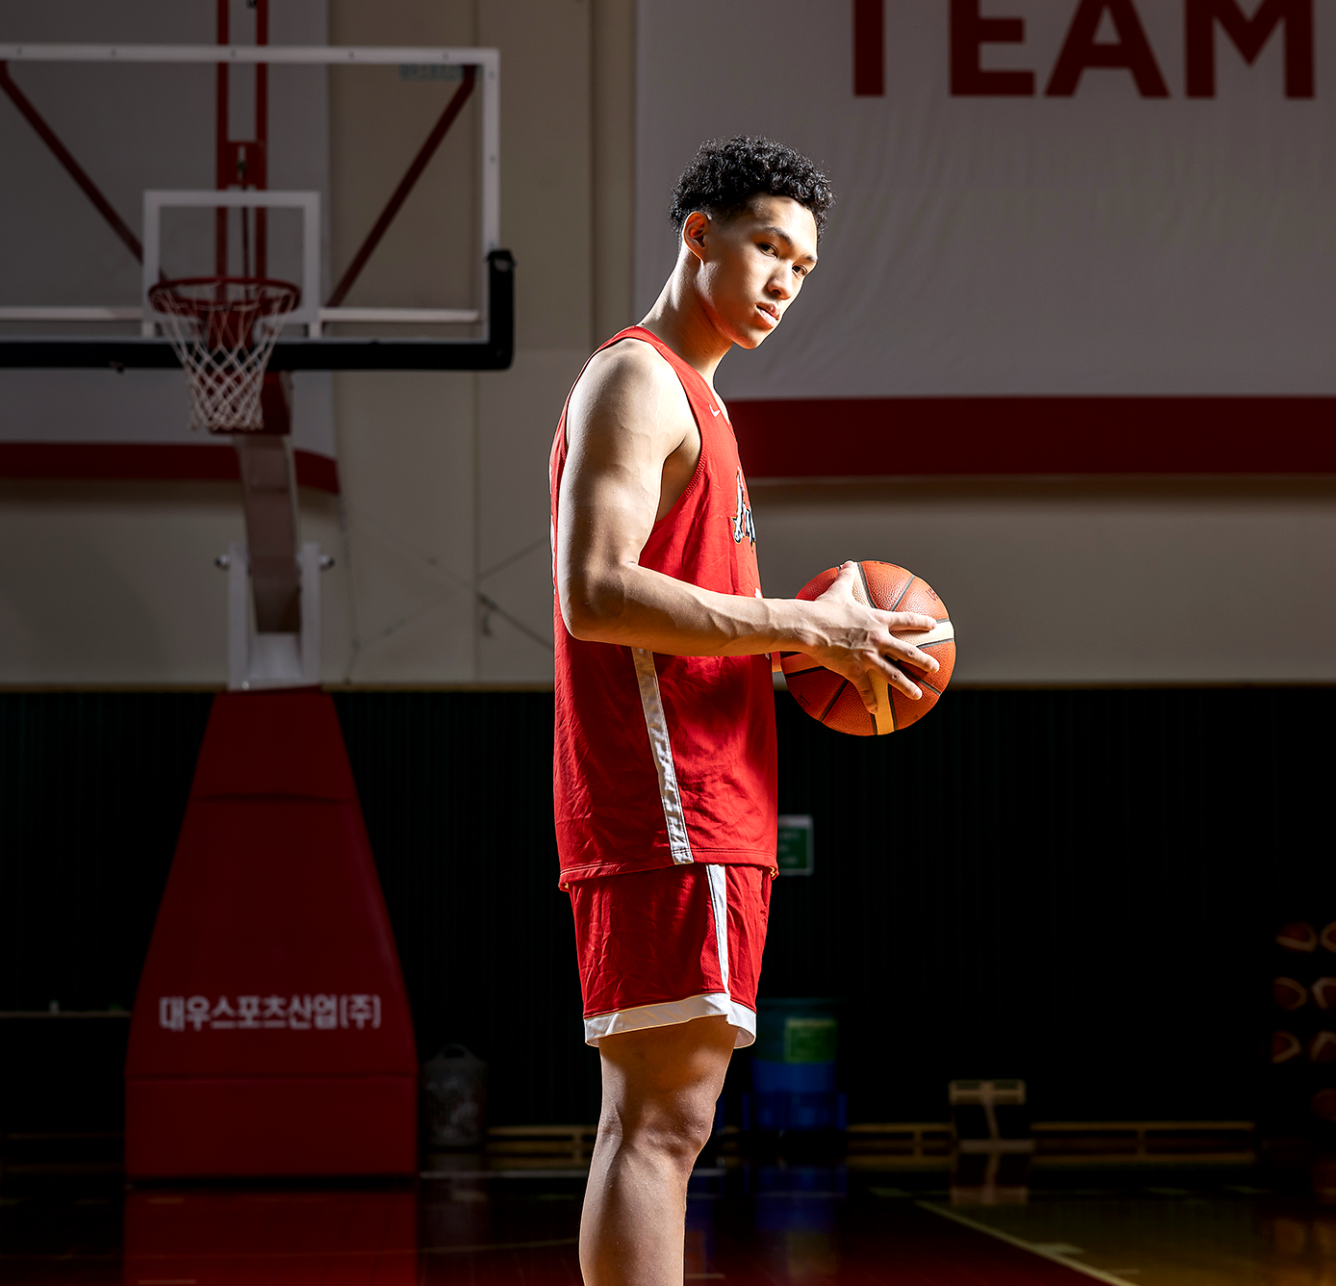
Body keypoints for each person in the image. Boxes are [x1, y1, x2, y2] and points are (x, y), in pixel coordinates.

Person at [548, 136, 940, 1285]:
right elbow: (594, 592)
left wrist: (792, 650)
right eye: (768, 246)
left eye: (803, 266)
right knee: (662, 1127)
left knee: (655, 1121)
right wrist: (810, 627)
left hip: (691, 796)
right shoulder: (636, 379)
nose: (784, 278)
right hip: (673, 800)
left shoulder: (700, 404)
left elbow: (675, 617)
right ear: (696, 234)